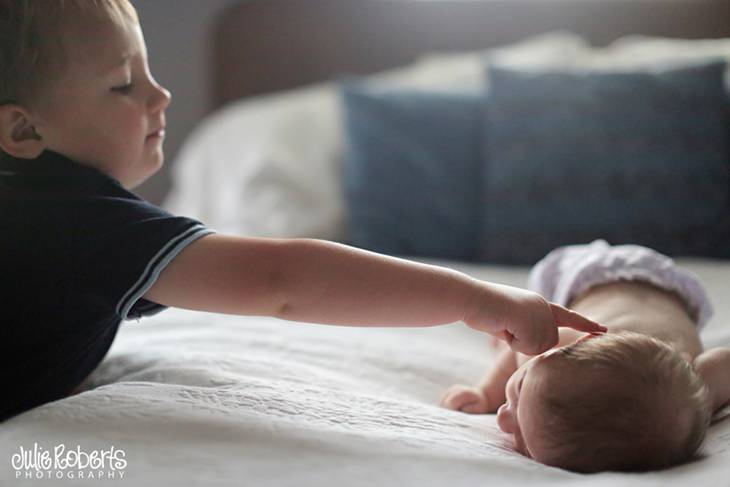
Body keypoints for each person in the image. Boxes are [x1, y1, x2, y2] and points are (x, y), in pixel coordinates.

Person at [0, 0, 604, 422]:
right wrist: (478, 301)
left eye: (149, 71)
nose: (160, 94)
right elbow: (281, 281)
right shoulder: (78, 220)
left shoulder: (37, 210)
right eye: (123, 83)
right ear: (22, 127)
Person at [441, 240, 730, 473]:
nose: (503, 418)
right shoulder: (698, 391)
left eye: (525, 444)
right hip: (594, 274)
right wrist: (487, 391)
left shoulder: (684, 399)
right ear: (580, 341)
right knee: (530, 318)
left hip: (659, 297)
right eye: (517, 392)